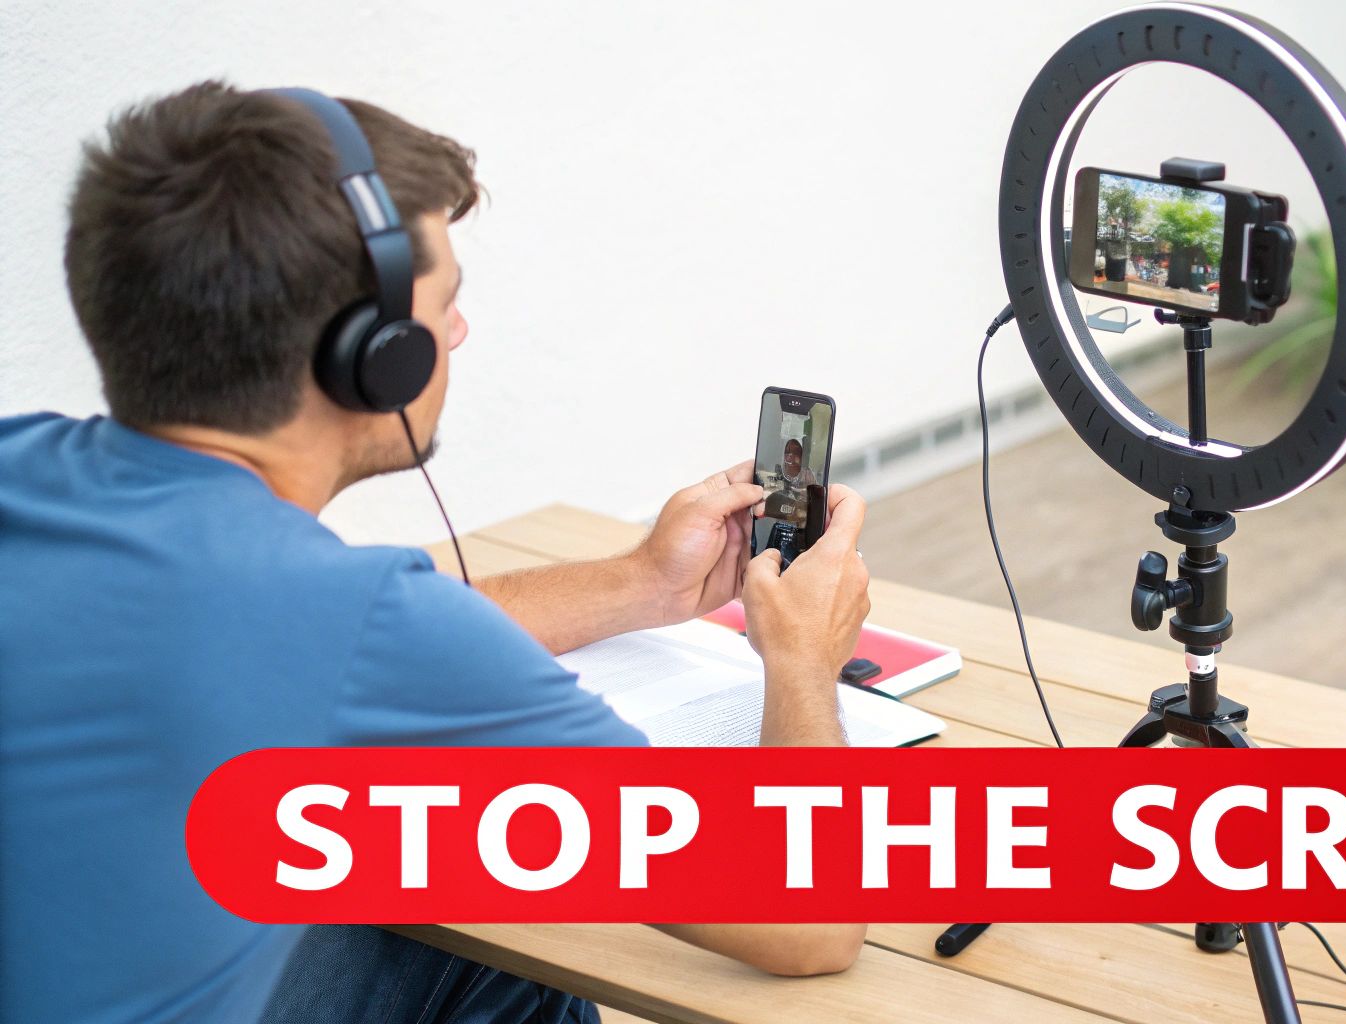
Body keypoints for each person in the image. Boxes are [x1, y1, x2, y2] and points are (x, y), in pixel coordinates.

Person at [0, 81, 871, 1024]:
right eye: (440, 307)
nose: (455, 332)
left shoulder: (21, 466)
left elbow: (349, 651)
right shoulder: (360, 621)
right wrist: (802, 659)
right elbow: (805, 925)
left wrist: (640, 584)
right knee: (512, 945)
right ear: (371, 357)